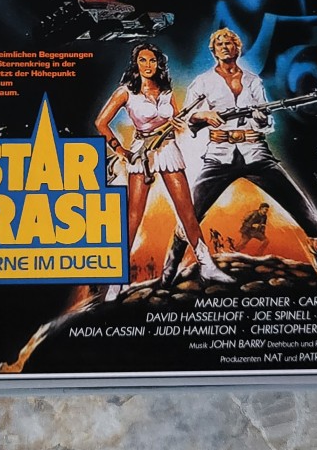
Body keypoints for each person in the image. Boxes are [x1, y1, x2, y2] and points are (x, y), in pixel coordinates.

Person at [162, 27, 317, 289]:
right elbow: (187, 118)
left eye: (230, 42)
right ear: (213, 51)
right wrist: (205, 115)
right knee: (188, 217)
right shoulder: (202, 82)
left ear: (238, 48)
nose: (225, 46)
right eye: (220, 43)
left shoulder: (253, 80)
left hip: (256, 153)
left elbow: (267, 123)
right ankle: (167, 275)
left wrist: (260, 118)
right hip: (219, 157)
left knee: (311, 219)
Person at [95, 42, 231, 295]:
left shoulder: (166, 90)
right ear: (135, 64)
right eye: (142, 60)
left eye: (152, 60)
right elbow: (101, 123)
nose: (148, 65)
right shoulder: (126, 92)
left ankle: (207, 265)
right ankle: (117, 279)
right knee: (133, 217)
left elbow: (178, 120)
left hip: (168, 149)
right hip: (142, 152)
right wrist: (121, 151)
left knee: (187, 211)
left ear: (158, 64)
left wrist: (182, 123)